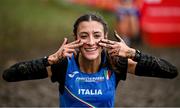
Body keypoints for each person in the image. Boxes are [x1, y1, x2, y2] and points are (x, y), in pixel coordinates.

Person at [2, 13, 178, 107]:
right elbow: (9, 75)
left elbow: (171, 71)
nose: (91, 42)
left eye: (97, 35)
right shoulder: (63, 64)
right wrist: (50, 59)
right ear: (75, 37)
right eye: (84, 36)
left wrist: (134, 53)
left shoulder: (115, 63)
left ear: (106, 37)